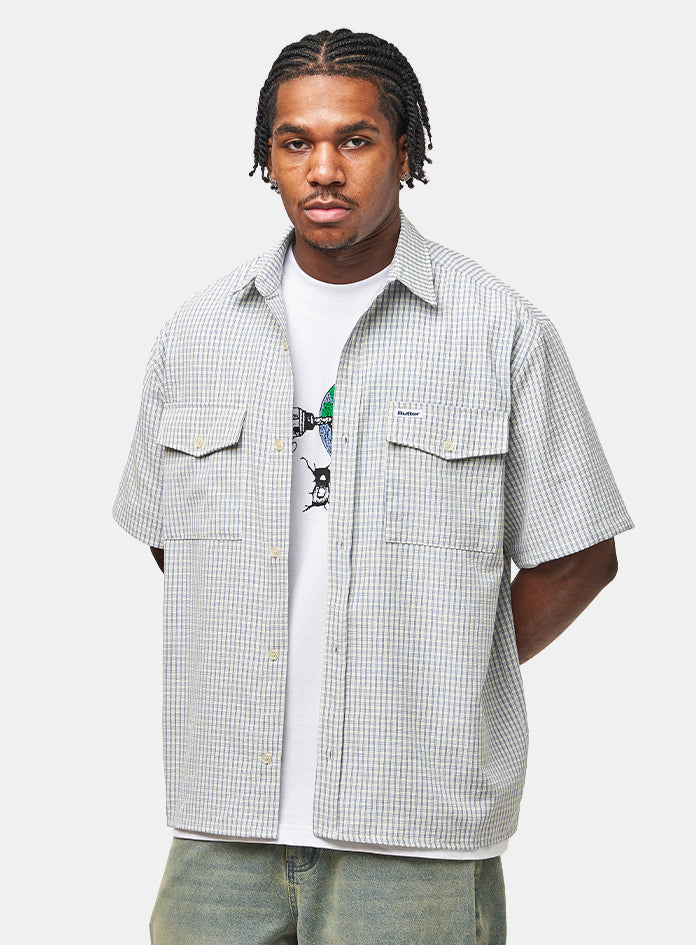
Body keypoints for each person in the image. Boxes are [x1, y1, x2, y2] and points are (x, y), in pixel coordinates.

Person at [113, 27, 633, 945]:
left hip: (415, 829)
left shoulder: (501, 332)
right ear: (267, 158)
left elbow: (580, 553)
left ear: (405, 152)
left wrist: (451, 664)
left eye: (354, 139)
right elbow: (169, 535)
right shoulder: (197, 335)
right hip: (222, 821)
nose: (324, 169)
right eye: (296, 142)